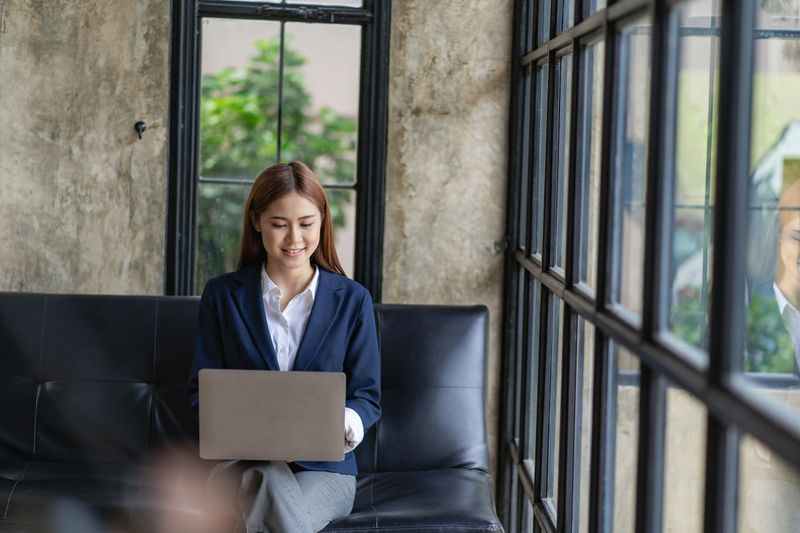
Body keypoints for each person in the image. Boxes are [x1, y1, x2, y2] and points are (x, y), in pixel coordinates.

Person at [188, 161, 381, 533]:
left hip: (326, 471)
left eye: (306, 224)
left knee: (268, 502)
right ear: (257, 221)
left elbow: (366, 397)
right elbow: (201, 393)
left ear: (322, 222)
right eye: (279, 224)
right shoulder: (222, 296)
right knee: (264, 477)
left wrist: (341, 422)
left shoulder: (353, 300)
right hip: (241, 465)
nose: (294, 239)